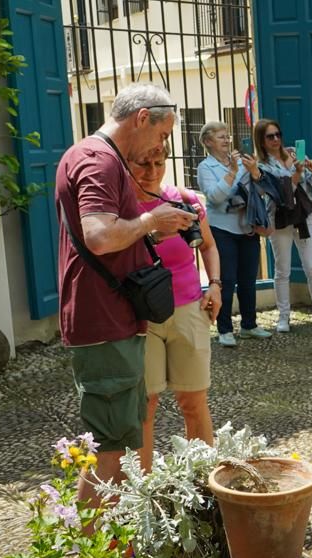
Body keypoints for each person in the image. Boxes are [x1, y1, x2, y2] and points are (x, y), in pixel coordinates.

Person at [55, 82, 198, 510]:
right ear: (141, 119)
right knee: (110, 448)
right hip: (103, 320)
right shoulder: (99, 161)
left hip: (110, 317)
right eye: (162, 134)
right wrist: (152, 220)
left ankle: (108, 549)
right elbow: (99, 236)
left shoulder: (94, 155)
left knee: (117, 439)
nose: (162, 144)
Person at [128, 142, 220, 459]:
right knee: (145, 406)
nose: (151, 171)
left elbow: (208, 245)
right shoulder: (122, 211)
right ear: (126, 163)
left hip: (188, 308)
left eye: (158, 162)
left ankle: (203, 485)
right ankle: (144, 492)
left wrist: (216, 285)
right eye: (142, 163)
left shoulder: (183, 200)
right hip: (141, 316)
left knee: (193, 401)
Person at [255, 118, 312, 333]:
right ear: (261, 140)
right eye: (270, 136)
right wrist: (296, 174)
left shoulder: (294, 153)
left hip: (302, 215)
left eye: (278, 134)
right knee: (282, 270)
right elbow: (276, 193)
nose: (276, 139)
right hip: (279, 218)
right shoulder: (261, 165)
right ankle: (283, 317)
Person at [197, 121, 264, 348]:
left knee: (248, 280)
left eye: (227, 136)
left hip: (247, 226)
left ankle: (249, 324)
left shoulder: (241, 162)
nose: (227, 140)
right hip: (222, 230)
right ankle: (224, 328)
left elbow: (258, 190)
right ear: (208, 142)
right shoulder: (205, 168)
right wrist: (234, 172)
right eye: (220, 137)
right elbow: (215, 198)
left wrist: (254, 171)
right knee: (226, 280)